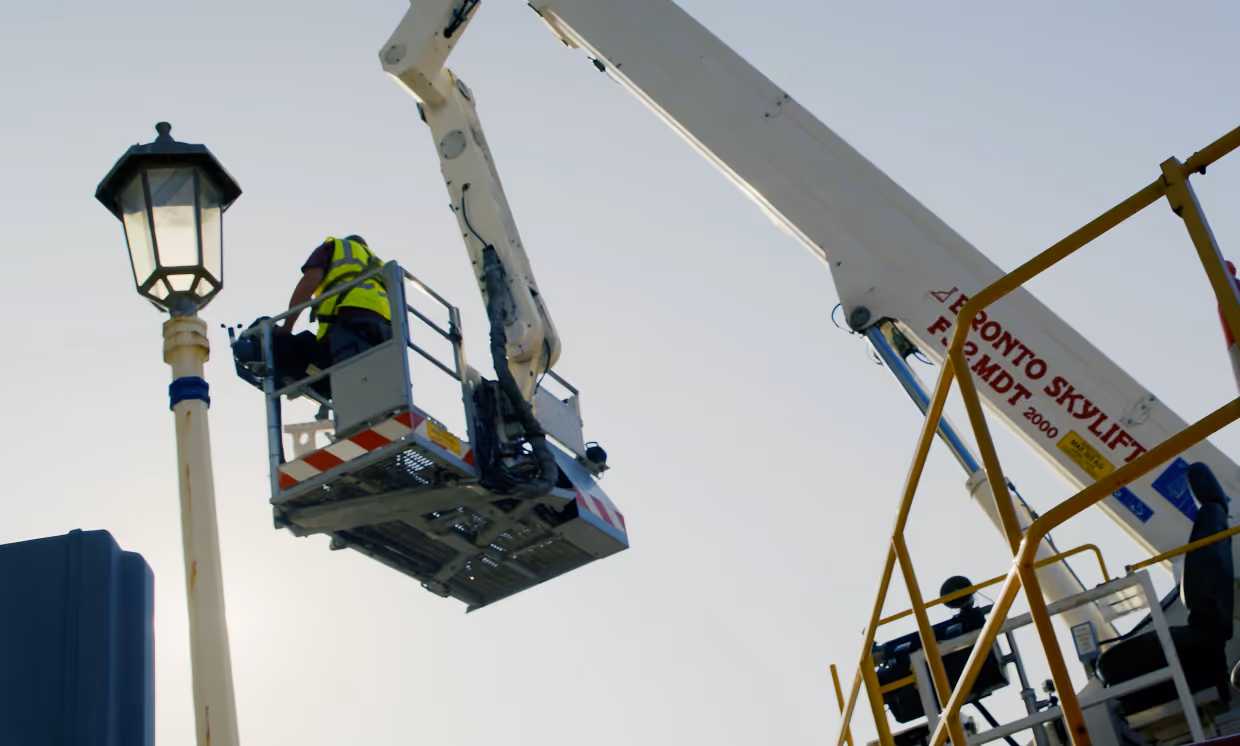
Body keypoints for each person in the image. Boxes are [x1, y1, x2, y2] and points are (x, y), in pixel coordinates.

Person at [272, 235, 394, 398]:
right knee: (377, 389)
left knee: (348, 388)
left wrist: (287, 327)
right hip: (386, 330)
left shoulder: (334, 247)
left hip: (351, 319)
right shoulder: (382, 267)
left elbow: (310, 281)